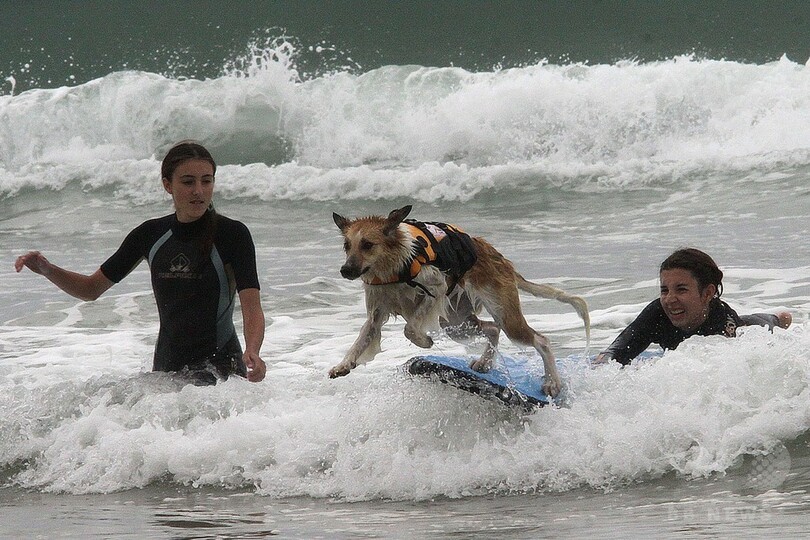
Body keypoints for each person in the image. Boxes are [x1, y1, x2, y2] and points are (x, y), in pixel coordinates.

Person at [14, 141, 266, 384]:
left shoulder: (232, 235)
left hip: (222, 374)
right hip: (167, 373)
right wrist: (47, 269)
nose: (198, 191)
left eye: (206, 181)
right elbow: (90, 289)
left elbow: (251, 307)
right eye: (188, 182)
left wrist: (253, 350)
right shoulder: (150, 235)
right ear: (168, 185)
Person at [595, 248, 792, 365]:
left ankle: (777, 316)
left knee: (768, 323)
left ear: (707, 293)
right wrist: (600, 366)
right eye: (664, 290)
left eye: (681, 289)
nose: (670, 299)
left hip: (744, 326)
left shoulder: (723, 325)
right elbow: (615, 353)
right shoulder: (657, 313)